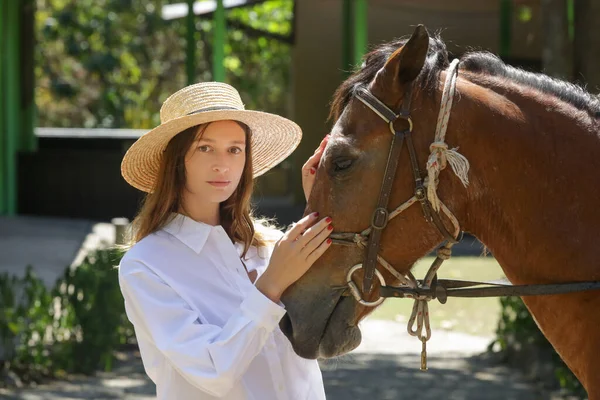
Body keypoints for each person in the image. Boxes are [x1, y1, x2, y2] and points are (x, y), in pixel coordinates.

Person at [117, 81, 332, 400]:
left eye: (235, 149)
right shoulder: (146, 266)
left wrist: (322, 204)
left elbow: (332, 328)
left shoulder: (269, 248)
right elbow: (213, 371)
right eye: (204, 147)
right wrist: (270, 287)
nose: (223, 164)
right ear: (176, 160)